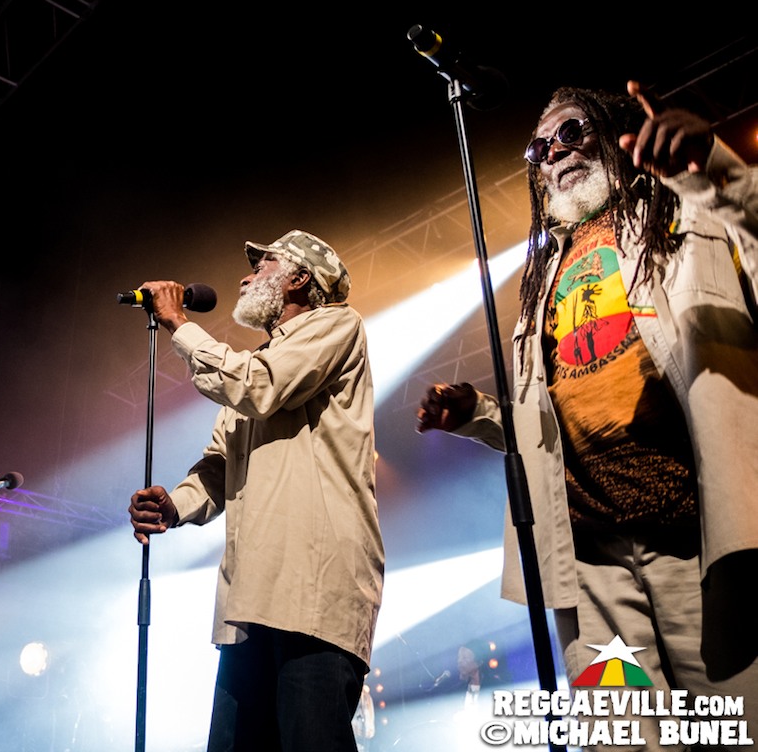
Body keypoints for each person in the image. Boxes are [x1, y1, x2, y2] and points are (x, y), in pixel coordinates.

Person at [417, 81, 758, 750]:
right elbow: (549, 423)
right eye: (542, 146)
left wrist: (711, 164)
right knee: (624, 740)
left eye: (573, 132)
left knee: (731, 733)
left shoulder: (679, 216)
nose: (556, 152)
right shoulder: (541, 280)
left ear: (611, 137)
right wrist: (482, 415)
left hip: (693, 541)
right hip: (593, 566)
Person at [128, 230, 385, 752]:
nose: (246, 277)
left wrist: (179, 323)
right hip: (251, 600)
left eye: (263, 264)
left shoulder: (336, 325)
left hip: (314, 594)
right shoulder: (258, 364)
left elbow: (259, 386)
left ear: (299, 278)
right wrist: (174, 504)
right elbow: (221, 464)